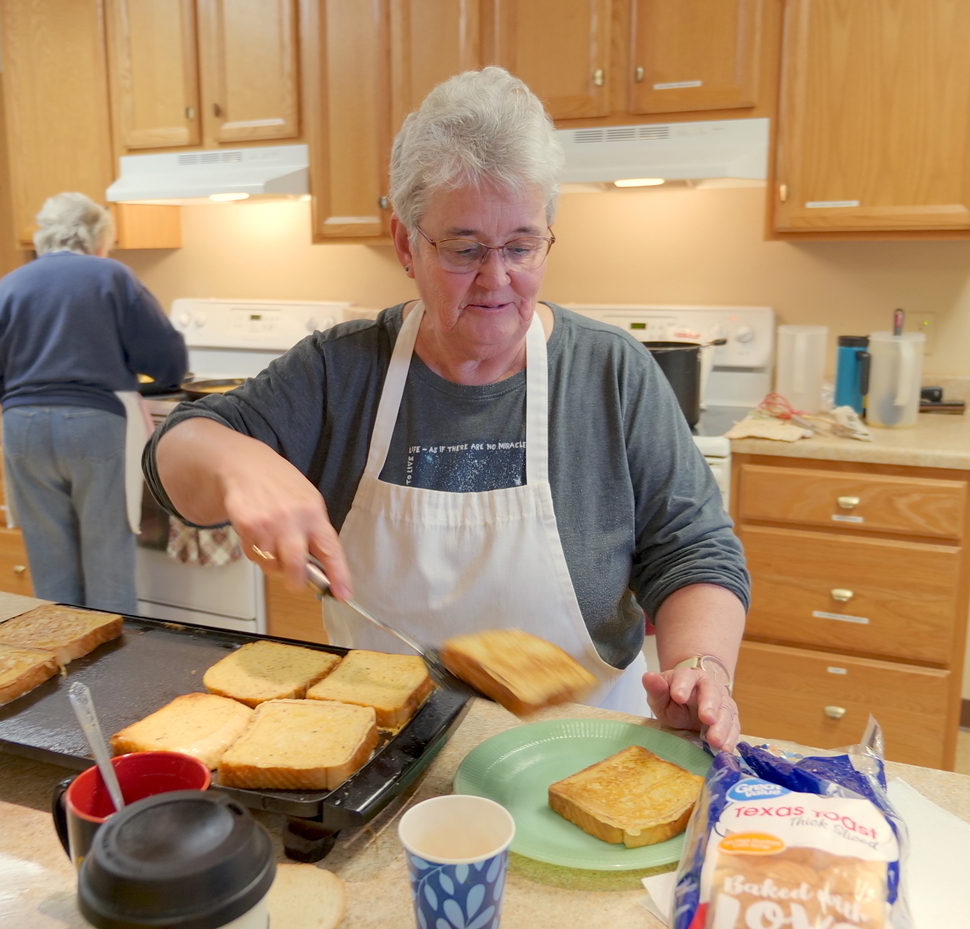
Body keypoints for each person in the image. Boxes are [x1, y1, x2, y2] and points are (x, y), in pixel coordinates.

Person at [143, 68, 749, 750]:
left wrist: (700, 667)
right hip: (377, 750)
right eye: (465, 249)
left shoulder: (610, 373)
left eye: (521, 246)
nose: (497, 278)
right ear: (407, 245)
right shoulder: (340, 371)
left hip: (583, 744)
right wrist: (234, 459)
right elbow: (175, 463)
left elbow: (693, 550)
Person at [0, 192, 188, 612]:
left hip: (22, 426)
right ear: (97, 237)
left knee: (48, 559)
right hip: (95, 424)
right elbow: (167, 358)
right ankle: (113, 673)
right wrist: (160, 379)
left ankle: (63, 664)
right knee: (107, 553)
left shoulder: (11, 283)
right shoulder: (111, 275)